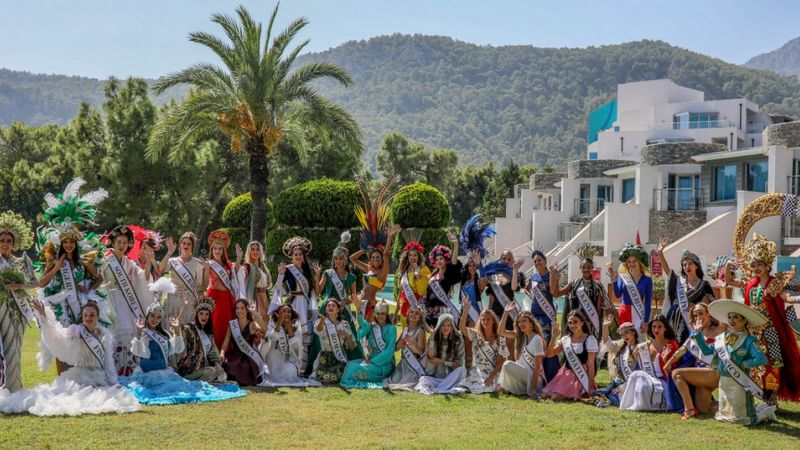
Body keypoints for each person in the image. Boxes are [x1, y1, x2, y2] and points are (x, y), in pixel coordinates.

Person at [0, 299, 140, 416]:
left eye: (92, 315)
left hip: (100, 375)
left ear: (97, 317)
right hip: (83, 375)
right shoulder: (76, 332)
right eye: (86, 315)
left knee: (111, 395)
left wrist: (111, 377)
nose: (88, 318)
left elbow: (108, 359)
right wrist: (44, 316)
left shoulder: (104, 333)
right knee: (82, 399)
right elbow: (57, 337)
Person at [726, 233, 800, 405]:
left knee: (774, 363)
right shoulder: (750, 284)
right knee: (754, 364)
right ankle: (756, 395)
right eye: (754, 265)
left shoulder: (776, 283)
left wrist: (798, 299)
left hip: (772, 332)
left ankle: (771, 397)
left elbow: (787, 298)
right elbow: (729, 281)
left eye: (759, 264)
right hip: (753, 332)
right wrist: (729, 265)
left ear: (767, 265)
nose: (756, 268)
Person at [120, 301, 244, 405]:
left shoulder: (164, 335)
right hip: (149, 372)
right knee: (166, 389)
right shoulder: (145, 333)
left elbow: (176, 349)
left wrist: (176, 332)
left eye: (158, 317)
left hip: (163, 370)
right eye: (152, 316)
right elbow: (141, 353)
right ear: (147, 316)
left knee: (183, 385)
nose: (155, 319)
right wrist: (138, 332)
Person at [691, 299, 776, 425]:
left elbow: (761, 359)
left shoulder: (749, 340)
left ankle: (767, 412)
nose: (731, 320)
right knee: (727, 416)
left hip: (739, 382)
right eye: (729, 317)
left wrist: (744, 364)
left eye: (736, 317)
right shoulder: (722, 338)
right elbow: (707, 351)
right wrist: (698, 333)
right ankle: (762, 408)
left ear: (744, 320)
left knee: (745, 420)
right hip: (724, 381)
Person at [101, 224, 154, 375]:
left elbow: (143, 279)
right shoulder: (105, 261)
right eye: (119, 242)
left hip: (127, 302)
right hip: (110, 301)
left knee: (130, 332)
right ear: (113, 242)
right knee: (114, 333)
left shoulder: (129, 263)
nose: (122, 245)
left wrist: (149, 261)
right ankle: (115, 368)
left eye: (125, 242)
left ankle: (129, 367)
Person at [667, 303, 727, 419]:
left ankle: (689, 410)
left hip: (713, 371)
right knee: (704, 410)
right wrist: (668, 363)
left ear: (709, 314)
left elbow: (723, 311)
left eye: (701, 313)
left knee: (677, 374)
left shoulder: (718, 329)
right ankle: (726, 407)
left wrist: (722, 289)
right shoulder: (695, 332)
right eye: (695, 315)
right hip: (700, 374)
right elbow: (683, 349)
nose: (698, 317)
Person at [273, 236, 321, 377]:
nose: (298, 256)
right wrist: (280, 274)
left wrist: (317, 276)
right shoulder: (288, 269)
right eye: (295, 255)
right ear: (292, 257)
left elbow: (316, 292)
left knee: (306, 338)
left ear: (303, 256)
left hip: (305, 304)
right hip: (293, 304)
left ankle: (302, 368)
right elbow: (277, 288)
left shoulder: (308, 271)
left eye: (300, 254)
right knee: (292, 333)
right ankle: (290, 364)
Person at [311, 232, 361, 365]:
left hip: (343, 309)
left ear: (345, 260)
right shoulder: (328, 274)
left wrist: (346, 301)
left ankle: (349, 362)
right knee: (320, 334)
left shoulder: (351, 277)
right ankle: (320, 363)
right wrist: (317, 275)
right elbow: (317, 291)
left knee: (347, 333)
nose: (338, 261)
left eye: (341, 258)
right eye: (336, 259)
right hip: (327, 307)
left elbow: (353, 296)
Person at [658, 239, 715, 342]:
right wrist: (660, 253)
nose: (687, 266)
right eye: (684, 265)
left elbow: (711, 304)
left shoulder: (704, 284)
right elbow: (667, 270)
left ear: (696, 266)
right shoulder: (678, 281)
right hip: (674, 320)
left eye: (690, 264)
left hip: (692, 321)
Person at [619, 314, 679, 411]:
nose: (656, 329)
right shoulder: (646, 345)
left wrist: (665, 359)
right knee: (635, 375)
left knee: (641, 383)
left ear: (665, 329)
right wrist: (636, 357)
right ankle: (626, 406)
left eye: (660, 326)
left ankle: (638, 406)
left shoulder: (671, 345)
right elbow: (640, 366)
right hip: (648, 379)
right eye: (654, 326)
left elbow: (673, 373)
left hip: (664, 383)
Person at [551, 256, 616, 342]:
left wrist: (595, 323)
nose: (586, 269)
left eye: (588, 267)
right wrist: (556, 280)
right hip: (575, 323)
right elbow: (556, 294)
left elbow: (598, 309)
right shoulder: (574, 283)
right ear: (580, 268)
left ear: (592, 268)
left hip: (591, 322)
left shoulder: (597, 286)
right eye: (583, 267)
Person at [340, 299, 397, 389]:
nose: (380, 316)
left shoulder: (391, 329)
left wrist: (372, 361)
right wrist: (358, 309)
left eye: (383, 314)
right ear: (375, 314)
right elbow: (362, 325)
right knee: (351, 364)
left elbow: (389, 351)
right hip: (370, 360)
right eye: (378, 313)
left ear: (387, 314)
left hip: (384, 364)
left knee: (355, 369)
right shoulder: (372, 326)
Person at [542, 310, 598, 401]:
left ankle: (574, 393)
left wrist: (590, 386)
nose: (572, 325)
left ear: (582, 323)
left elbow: (591, 364)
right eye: (570, 323)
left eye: (575, 322)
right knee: (544, 395)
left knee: (555, 398)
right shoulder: (565, 339)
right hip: (565, 373)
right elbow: (550, 354)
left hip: (580, 374)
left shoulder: (590, 339)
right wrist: (553, 337)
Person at [496, 306, 550, 398]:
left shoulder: (537, 339)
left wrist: (533, 390)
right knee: (507, 367)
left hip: (533, 379)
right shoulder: (520, 336)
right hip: (523, 377)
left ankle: (507, 387)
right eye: (519, 322)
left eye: (524, 321)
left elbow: (537, 367)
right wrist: (505, 313)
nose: (521, 324)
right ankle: (507, 388)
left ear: (531, 323)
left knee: (507, 364)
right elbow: (501, 331)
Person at [457, 299, 508, 393]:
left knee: (494, 386)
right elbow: (462, 328)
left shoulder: (500, 339)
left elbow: (500, 363)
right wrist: (465, 312)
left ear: (493, 321)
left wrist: (491, 377)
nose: (485, 321)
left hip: (493, 372)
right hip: (478, 371)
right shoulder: (476, 335)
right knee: (466, 386)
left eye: (488, 319)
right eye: (483, 319)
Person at [263, 304, 321, 387]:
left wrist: (289, 327)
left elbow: (296, 345)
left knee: (290, 372)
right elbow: (272, 338)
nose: (286, 313)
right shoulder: (272, 324)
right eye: (283, 311)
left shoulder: (296, 326)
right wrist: (279, 322)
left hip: (289, 358)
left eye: (289, 312)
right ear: (278, 313)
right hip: (274, 358)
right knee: (274, 375)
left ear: (292, 314)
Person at [349, 225, 400, 318]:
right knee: (360, 330)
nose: (375, 259)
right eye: (373, 257)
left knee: (367, 329)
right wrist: (364, 249)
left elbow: (386, 253)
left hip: (370, 304)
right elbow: (352, 258)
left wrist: (389, 237)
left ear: (381, 259)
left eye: (377, 257)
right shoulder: (368, 268)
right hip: (360, 303)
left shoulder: (383, 272)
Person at [205, 230, 243, 350]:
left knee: (226, 323)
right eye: (215, 248)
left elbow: (235, 273)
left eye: (220, 248)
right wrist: (206, 270)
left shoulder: (227, 265)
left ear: (223, 251)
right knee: (214, 323)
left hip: (226, 298)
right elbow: (204, 283)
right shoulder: (208, 264)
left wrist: (239, 258)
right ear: (212, 250)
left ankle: (225, 349)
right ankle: (213, 349)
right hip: (213, 297)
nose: (217, 250)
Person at [525, 250, 560, 382]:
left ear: (545, 261)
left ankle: (551, 376)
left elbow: (552, 291)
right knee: (537, 343)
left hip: (547, 315)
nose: (537, 262)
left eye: (539, 260)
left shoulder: (551, 274)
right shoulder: (533, 277)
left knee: (548, 343)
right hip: (535, 315)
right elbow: (526, 289)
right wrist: (530, 296)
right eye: (535, 261)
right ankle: (538, 376)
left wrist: (554, 278)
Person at [158, 233, 206, 326]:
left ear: (192, 246)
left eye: (189, 244)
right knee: (171, 328)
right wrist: (169, 252)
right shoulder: (172, 261)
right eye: (184, 243)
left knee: (186, 329)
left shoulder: (198, 263)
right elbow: (161, 270)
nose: (186, 246)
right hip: (172, 299)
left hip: (188, 301)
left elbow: (199, 286)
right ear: (180, 244)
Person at [176, 296, 226, 383]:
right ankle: (190, 381)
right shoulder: (190, 328)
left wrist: (218, 365)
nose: (204, 317)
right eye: (201, 313)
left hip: (202, 368)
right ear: (197, 315)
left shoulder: (209, 334)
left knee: (222, 373)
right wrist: (184, 307)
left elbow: (213, 352)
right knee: (213, 372)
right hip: (189, 368)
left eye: (207, 314)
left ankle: (198, 381)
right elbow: (178, 325)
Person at [608, 243, 653, 336]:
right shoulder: (622, 277)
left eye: (634, 261)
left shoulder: (647, 280)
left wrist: (646, 321)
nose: (632, 264)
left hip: (639, 312)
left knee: (640, 341)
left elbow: (648, 302)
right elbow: (618, 295)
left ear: (639, 262)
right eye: (629, 261)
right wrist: (615, 281)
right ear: (626, 264)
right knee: (625, 340)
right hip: (625, 312)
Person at [220, 299, 267, 387]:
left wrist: (255, 313)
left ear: (247, 310)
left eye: (242, 308)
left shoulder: (252, 324)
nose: (239, 311)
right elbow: (225, 343)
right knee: (228, 364)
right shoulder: (232, 325)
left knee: (242, 366)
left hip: (249, 356)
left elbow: (264, 329)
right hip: (234, 355)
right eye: (237, 308)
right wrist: (222, 354)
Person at [415, 314, 466, 395]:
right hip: (435, 377)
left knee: (462, 370)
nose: (446, 328)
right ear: (439, 326)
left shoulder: (458, 340)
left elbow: (458, 365)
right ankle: (443, 387)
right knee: (424, 379)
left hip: (450, 377)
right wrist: (431, 338)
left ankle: (439, 388)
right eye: (443, 325)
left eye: (449, 325)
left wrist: (443, 362)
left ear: (452, 327)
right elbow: (431, 358)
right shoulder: (433, 338)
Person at [592, 320, 639, 407]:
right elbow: (607, 341)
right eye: (622, 334)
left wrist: (623, 387)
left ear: (634, 332)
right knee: (598, 392)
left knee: (613, 398)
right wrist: (605, 327)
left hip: (630, 384)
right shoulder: (620, 345)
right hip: (617, 382)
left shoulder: (640, 347)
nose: (624, 336)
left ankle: (608, 398)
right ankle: (606, 396)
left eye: (627, 333)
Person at [423, 233, 462, 328]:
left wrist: (456, 244)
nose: (439, 261)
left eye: (441, 258)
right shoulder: (433, 275)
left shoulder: (448, 275)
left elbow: (454, 262)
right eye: (437, 259)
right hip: (430, 310)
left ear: (445, 260)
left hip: (442, 309)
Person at [383, 306, 427, 390]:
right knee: (393, 381)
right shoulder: (405, 329)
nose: (413, 314)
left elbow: (421, 352)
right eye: (411, 312)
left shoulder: (420, 331)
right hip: (402, 364)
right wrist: (399, 345)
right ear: (408, 314)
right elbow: (396, 348)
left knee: (404, 384)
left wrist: (413, 346)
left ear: (419, 318)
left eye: (417, 313)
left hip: (413, 366)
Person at [313, 299, 356, 385]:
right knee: (323, 377)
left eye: (333, 306)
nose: (330, 307)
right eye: (328, 306)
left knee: (339, 373)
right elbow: (318, 330)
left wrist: (347, 336)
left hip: (339, 357)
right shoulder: (321, 322)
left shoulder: (345, 324)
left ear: (338, 309)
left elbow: (351, 347)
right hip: (325, 357)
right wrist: (322, 319)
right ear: (325, 309)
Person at [393, 238, 430, 325]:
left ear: (419, 256)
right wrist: (395, 314)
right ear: (407, 256)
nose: (412, 257)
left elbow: (421, 292)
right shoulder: (404, 271)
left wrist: (417, 275)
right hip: (404, 310)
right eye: (410, 255)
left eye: (415, 255)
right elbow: (400, 294)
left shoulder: (424, 270)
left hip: (416, 311)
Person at [241, 241, 272, 315]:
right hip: (254, 297)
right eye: (252, 249)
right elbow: (242, 273)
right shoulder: (247, 266)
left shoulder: (263, 267)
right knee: (256, 321)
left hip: (264, 297)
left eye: (258, 249)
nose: (255, 252)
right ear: (249, 252)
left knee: (265, 322)